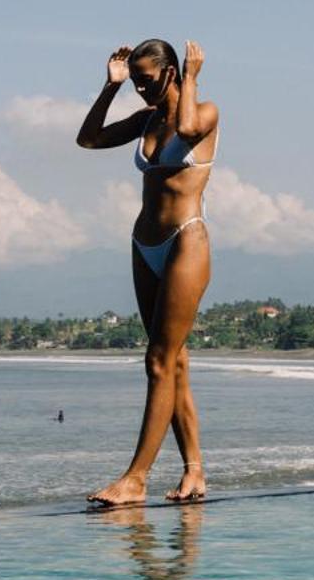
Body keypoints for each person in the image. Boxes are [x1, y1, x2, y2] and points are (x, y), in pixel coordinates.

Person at [76, 38, 219, 506]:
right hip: (144, 244)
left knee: (158, 362)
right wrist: (109, 86)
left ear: (172, 72)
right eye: (134, 79)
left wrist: (192, 79)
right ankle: (194, 472)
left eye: (146, 78)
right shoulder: (146, 120)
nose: (139, 87)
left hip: (185, 241)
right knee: (173, 362)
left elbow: (189, 126)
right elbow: (88, 138)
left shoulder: (206, 111)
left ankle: (135, 479)